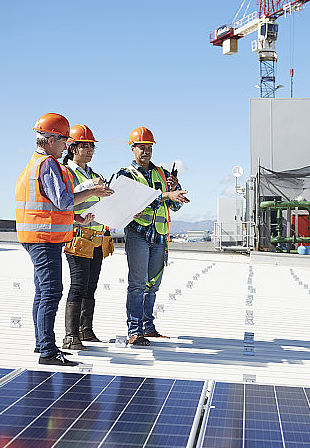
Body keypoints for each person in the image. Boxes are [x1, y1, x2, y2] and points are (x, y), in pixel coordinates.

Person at [15, 113, 113, 366]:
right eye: (64, 141)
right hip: (43, 238)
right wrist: (93, 191)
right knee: (51, 292)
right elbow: (63, 200)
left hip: (38, 235)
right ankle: (48, 351)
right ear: (51, 140)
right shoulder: (47, 164)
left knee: (42, 292)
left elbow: (51, 205)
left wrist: (74, 220)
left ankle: (42, 344)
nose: (66, 146)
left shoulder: (37, 164)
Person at [118, 127, 189, 346]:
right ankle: (134, 331)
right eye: (141, 147)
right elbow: (133, 202)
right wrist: (166, 194)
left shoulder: (161, 174)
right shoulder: (125, 175)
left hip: (159, 236)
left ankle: (148, 327)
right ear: (132, 148)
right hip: (138, 232)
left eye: (149, 147)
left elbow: (172, 207)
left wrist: (175, 193)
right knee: (137, 284)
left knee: (152, 285)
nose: (146, 151)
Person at [61, 124, 114, 350]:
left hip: (97, 237)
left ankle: (86, 330)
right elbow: (64, 202)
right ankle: (71, 335)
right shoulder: (66, 172)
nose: (90, 150)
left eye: (92, 146)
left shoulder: (96, 175)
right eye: (85, 146)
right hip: (77, 236)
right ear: (72, 148)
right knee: (78, 285)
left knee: (91, 286)